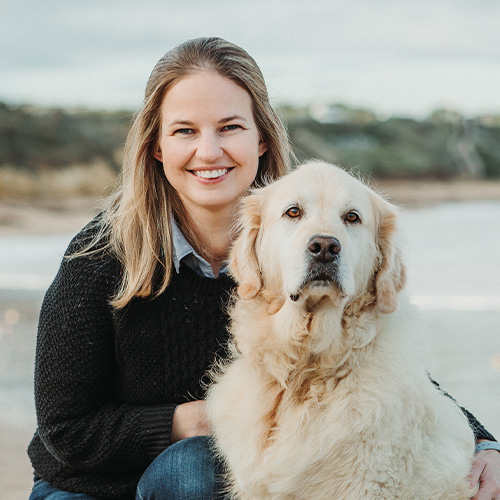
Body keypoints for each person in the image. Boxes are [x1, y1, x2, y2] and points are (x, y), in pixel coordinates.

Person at [27, 37, 500, 500]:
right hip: (89, 487)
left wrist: (483, 441)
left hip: (211, 478)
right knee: (196, 464)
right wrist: (212, 416)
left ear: (261, 140)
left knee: (203, 467)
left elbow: (384, 369)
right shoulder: (99, 256)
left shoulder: (285, 239)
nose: (209, 152)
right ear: (156, 146)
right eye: (185, 130)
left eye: (230, 127)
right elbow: (66, 430)